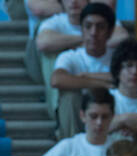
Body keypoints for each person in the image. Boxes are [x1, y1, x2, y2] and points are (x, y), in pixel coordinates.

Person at [49, 2, 115, 138]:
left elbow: (124, 80)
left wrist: (85, 77)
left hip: (111, 119)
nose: (93, 33)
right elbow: (57, 80)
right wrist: (103, 83)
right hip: (81, 119)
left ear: (110, 32)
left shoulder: (118, 57)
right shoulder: (70, 56)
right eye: (88, 26)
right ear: (81, 29)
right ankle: (76, 152)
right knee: (70, 98)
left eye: (100, 27)